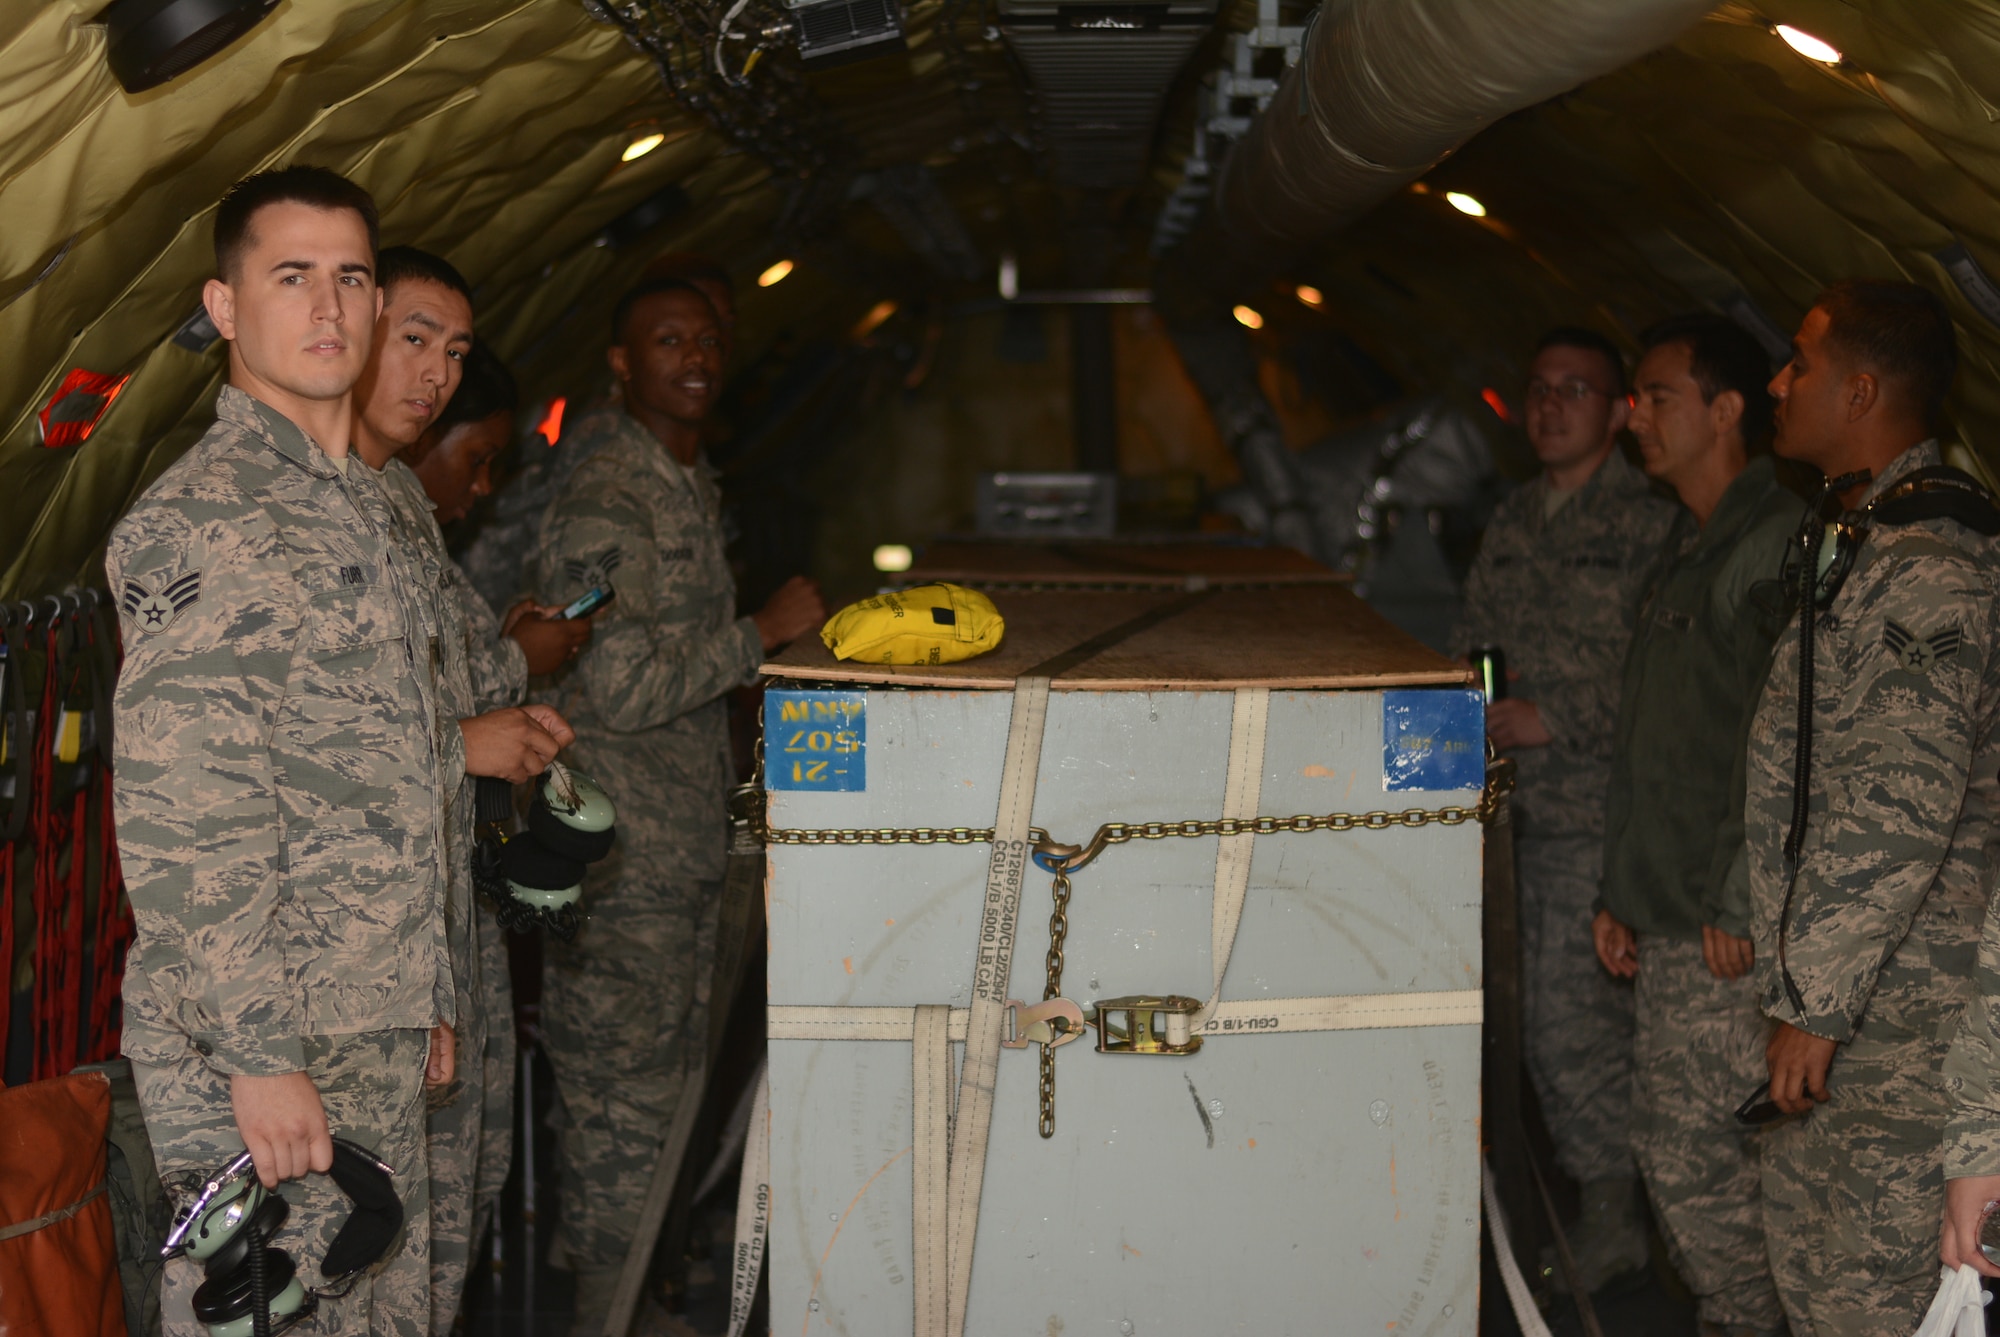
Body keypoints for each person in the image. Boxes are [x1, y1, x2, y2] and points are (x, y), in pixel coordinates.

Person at [107, 166, 538, 1336]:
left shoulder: (370, 507)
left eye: (350, 275)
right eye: (290, 276)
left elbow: (399, 777)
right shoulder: (204, 519)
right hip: (270, 1039)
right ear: (227, 307)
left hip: (375, 1018)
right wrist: (256, 1055)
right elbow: (188, 816)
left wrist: (431, 988)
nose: (329, 306)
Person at [529, 276, 823, 1333]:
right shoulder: (612, 490)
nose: (693, 357)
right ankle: (608, 1311)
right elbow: (616, 683)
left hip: (675, 850)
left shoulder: (678, 476)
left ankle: (636, 1296)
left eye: (707, 339)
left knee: (659, 1110)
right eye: (666, 340)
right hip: (623, 869)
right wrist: (761, 631)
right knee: (620, 1112)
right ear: (620, 360)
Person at [1742, 280, 2000, 1334]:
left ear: (1857, 390)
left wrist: (1815, 995)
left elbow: (1900, 794)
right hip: (1857, 990)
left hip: (1900, 1004)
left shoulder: (1928, 562)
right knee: (1815, 1273)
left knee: (1869, 1291)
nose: (1774, 380)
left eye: (1796, 362)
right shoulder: (1864, 534)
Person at [349, 244, 589, 1333]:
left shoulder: (395, 510)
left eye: (454, 351)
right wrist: (464, 745)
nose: (436, 372)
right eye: (415, 340)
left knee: (441, 1228)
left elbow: (426, 686)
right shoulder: (258, 519)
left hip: (437, 944)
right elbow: (257, 769)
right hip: (349, 980)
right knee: (358, 1263)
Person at [1453, 326, 1678, 1289]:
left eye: (1574, 389)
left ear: (1621, 410)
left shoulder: (1653, 525)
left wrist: (1558, 715)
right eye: (1539, 388)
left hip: (1597, 816)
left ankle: (1616, 1215)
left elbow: (1673, 678)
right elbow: (1469, 645)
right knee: (1526, 1017)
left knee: (1568, 1026)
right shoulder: (1513, 518)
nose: (1549, 406)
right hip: (1510, 814)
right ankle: (1612, 1204)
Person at [1591, 315, 1801, 1337]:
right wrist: (1617, 890)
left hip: (1722, 924)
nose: (1634, 415)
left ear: (1726, 410)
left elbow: (1782, 738)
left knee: (1699, 1154)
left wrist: (1738, 890)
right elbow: (1662, 737)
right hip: (1669, 905)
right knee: (1686, 1150)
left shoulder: (1767, 542)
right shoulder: (1693, 537)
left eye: (1655, 394)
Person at [455, 254, 737, 617]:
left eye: (716, 332)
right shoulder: (603, 448)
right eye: (671, 336)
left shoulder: (676, 445)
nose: (698, 352)